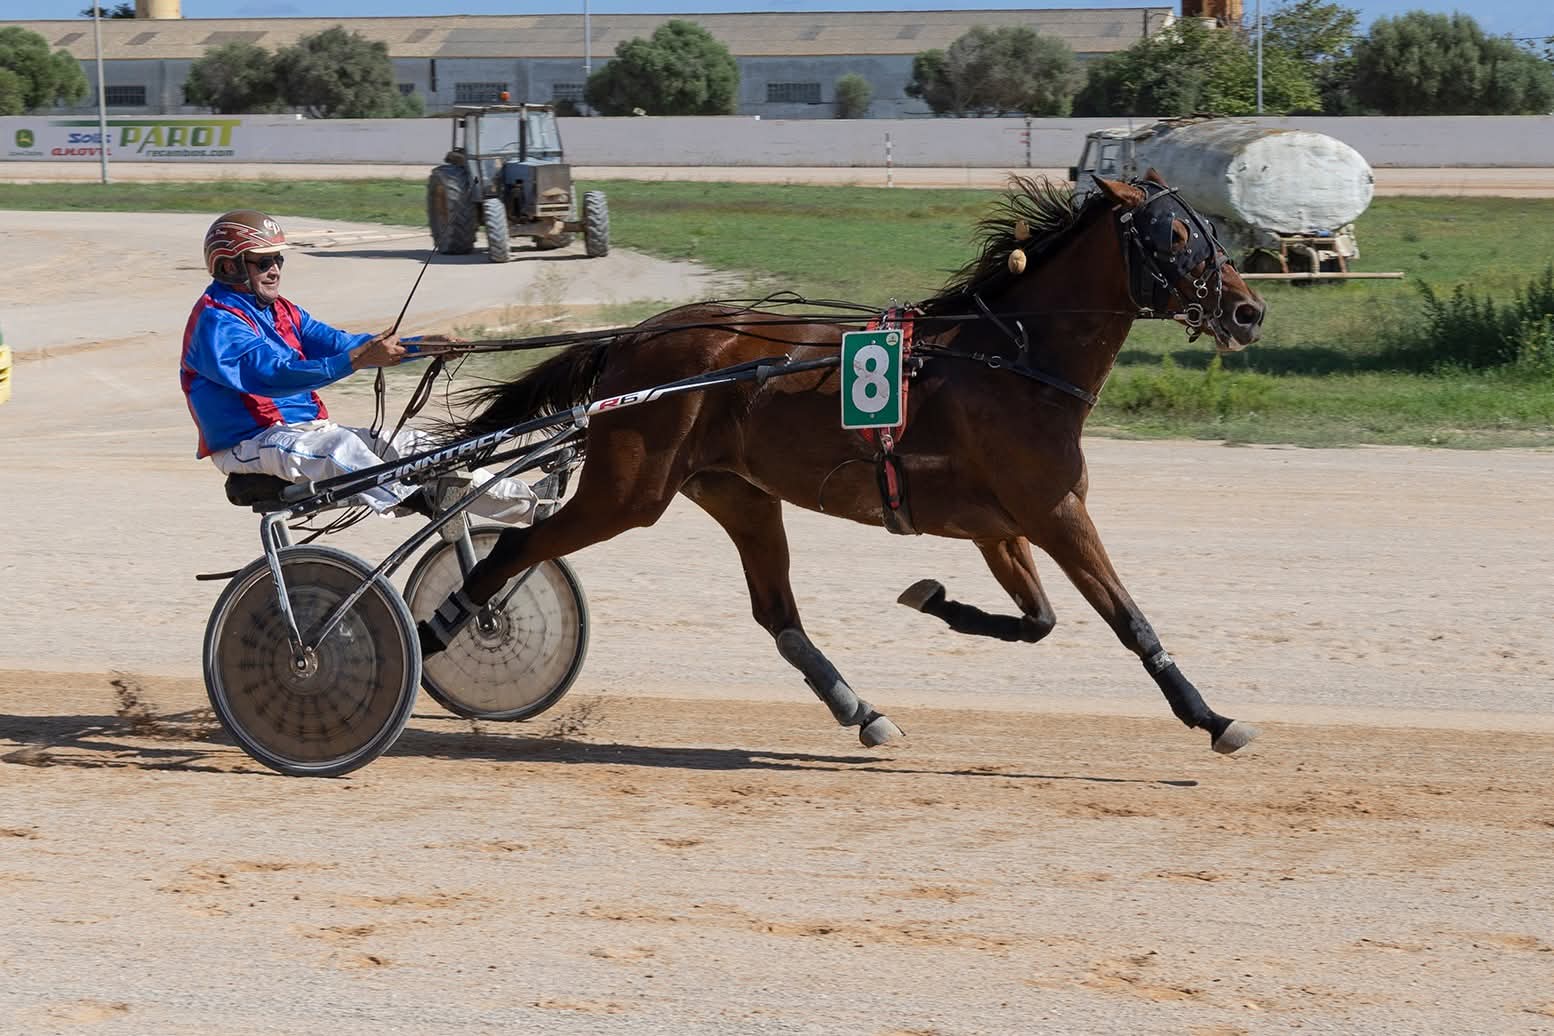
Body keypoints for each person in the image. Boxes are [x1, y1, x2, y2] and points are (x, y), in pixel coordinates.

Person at [180, 209, 534, 521]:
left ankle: (532, 506)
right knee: (339, 449)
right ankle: (416, 499)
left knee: (420, 447)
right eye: (262, 262)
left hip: (305, 431)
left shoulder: (283, 311)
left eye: (278, 261)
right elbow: (272, 375)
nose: (274, 270)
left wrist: (422, 346)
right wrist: (357, 360)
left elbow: (345, 344)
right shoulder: (216, 321)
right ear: (228, 266)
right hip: (249, 442)